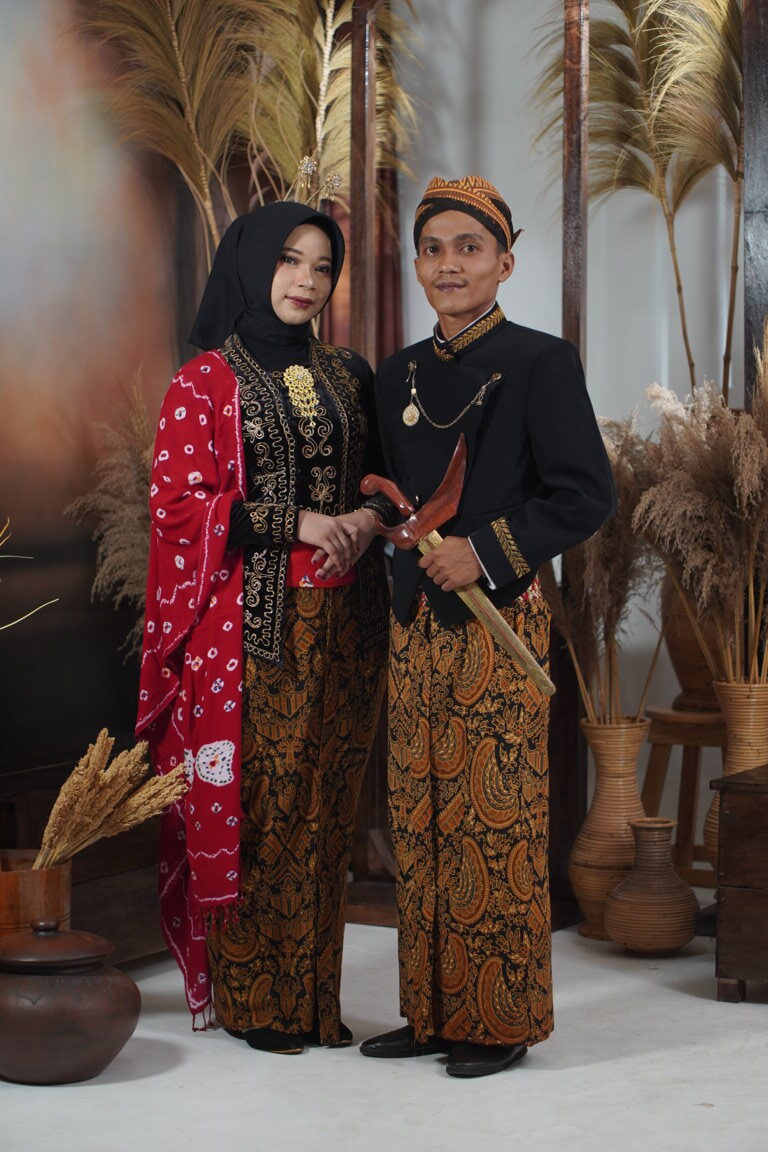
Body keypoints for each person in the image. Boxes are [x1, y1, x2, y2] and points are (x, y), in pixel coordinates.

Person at [360, 175, 615, 1078]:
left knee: (491, 818)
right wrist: (377, 528)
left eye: (468, 247)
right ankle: (430, 1012)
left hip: (496, 621)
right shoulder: (396, 373)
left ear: (505, 262)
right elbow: (387, 493)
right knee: (420, 818)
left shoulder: (542, 362)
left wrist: (487, 550)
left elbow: (586, 494)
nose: (449, 264)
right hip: (414, 624)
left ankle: (496, 1020)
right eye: (432, 249)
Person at [137, 202, 392, 1052]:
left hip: (348, 625)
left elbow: (383, 480)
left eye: (322, 266)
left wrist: (363, 519)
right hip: (253, 632)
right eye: (289, 259)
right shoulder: (204, 382)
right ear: (251, 264)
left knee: (326, 808)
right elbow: (178, 508)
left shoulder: (350, 372)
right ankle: (257, 1001)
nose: (307, 280)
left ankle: (313, 998)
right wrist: (300, 522)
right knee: (264, 806)